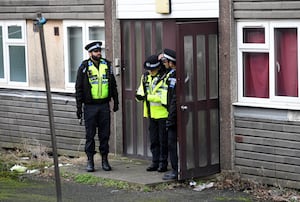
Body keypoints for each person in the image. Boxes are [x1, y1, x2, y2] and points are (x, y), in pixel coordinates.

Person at [75, 41, 119, 172]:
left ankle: (105, 160)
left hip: (104, 105)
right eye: (95, 51)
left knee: (105, 135)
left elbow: (113, 85)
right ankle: (90, 161)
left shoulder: (107, 65)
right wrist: (79, 108)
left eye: (99, 51)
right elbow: (78, 88)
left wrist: (116, 102)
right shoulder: (84, 67)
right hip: (90, 106)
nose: (98, 53)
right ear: (90, 53)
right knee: (90, 135)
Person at [135, 55, 169, 173]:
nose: (150, 71)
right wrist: (138, 96)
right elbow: (141, 91)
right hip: (150, 113)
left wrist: (147, 97)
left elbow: (162, 97)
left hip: (163, 114)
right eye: (149, 69)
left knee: (163, 140)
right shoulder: (145, 77)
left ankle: (163, 163)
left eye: (153, 69)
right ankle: (155, 162)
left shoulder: (165, 77)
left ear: (158, 67)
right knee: (154, 140)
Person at [160, 49, 178, 180]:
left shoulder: (175, 76)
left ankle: (176, 170)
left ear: (171, 62)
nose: (164, 63)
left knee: (172, 143)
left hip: (175, 114)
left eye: (166, 61)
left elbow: (174, 99)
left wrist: (170, 118)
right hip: (171, 113)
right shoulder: (171, 74)